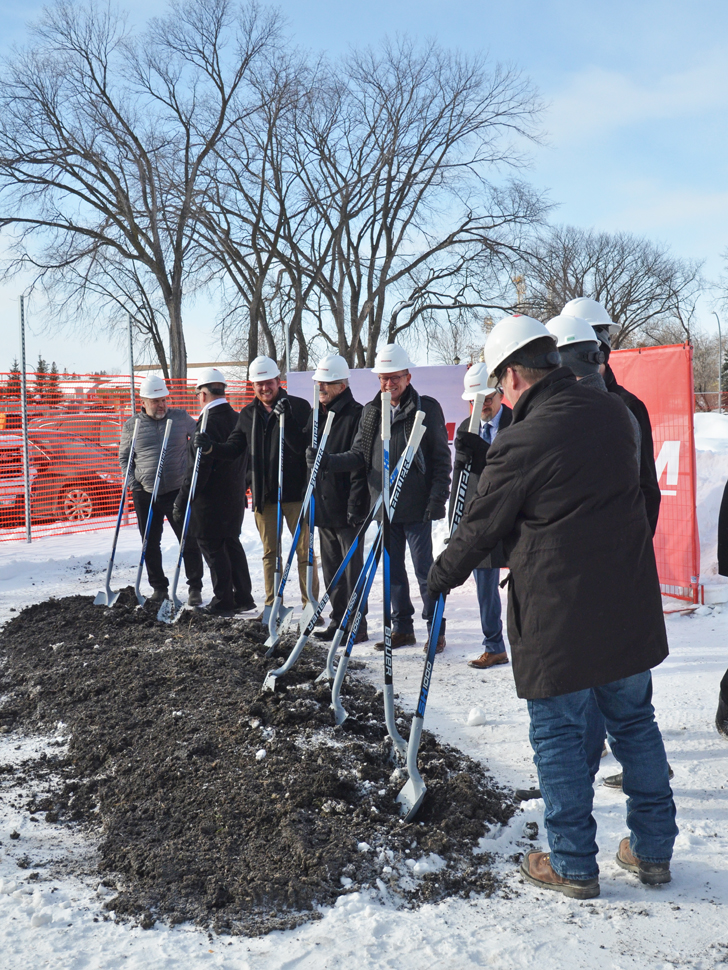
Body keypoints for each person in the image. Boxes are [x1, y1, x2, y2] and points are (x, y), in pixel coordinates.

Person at [428, 313, 677, 898]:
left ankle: (571, 862)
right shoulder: (615, 413)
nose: (500, 396)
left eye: (500, 385)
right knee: (636, 724)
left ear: (515, 375)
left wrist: (439, 577)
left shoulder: (524, 437)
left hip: (559, 613)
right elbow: (619, 491)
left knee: (560, 735)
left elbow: (482, 525)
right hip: (625, 602)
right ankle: (653, 850)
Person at [322, 344, 451, 652]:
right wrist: (327, 461)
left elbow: (440, 458)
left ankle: (435, 628)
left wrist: (437, 498)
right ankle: (402, 628)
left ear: (407, 377)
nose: (389, 384)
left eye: (394, 378)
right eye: (383, 378)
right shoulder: (372, 411)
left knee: (424, 572)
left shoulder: (426, 408)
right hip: (384, 507)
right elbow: (359, 455)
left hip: (417, 505)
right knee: (393, 573)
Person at [195, 355, 319, 615]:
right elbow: (234, 448)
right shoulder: (248, 415)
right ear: (252, 386)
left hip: (296, 493)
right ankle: (273, 604)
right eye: (259, 384)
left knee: (304, 551)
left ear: (278, 380)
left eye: (269, 382)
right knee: (270, 553)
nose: (265, 388)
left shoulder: (298, 406)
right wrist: (210, 448)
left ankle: (311, 606)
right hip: (266, 496)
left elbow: (304, 448)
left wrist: (290, 422)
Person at [561, 297, 661, 536]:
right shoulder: (556, 406)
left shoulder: (628, 406)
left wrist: (637, 549)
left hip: (616, 548)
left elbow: (646, 487)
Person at [174, 369, 255, 617]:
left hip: (209, 502)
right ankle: (243, 597)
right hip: (234, 496)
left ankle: (223, 601)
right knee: (231, 544)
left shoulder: (207, 423)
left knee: (212, 547)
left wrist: (182, 500)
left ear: (203, 394)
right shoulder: (236, 418)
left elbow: (198, 471)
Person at [119, 375, 204, 605]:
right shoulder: (132, 425)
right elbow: (125, 458)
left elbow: (198, 439)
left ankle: (194, 586)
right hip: (145, 492)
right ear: (143, 401)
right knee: (150, 541)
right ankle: (159, 587)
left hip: (177, 490)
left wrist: (192, 470)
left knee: (187, 538)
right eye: (155, 400)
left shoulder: (180, 418)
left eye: (163, 399)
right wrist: (134, 484)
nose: (161, 405)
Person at [304, 355, 370, 641]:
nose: (321, 388)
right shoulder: (318, 413)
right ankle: (337, 619)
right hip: (323, 506)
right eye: (319, 382)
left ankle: (356, 624)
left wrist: (356, 504)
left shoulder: (356, 414)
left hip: (347, 508)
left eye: (327, 384)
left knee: (351, 570)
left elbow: (360, 462)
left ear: (342, 386)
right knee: (331, 569)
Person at [450, 363, 511, 669]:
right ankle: (495, 646)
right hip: (483, 517)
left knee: (524, 587)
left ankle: (530, 644)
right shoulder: (466, 428)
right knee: (485, 586)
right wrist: (455, 522)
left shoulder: (518, 421)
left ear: (500, 393)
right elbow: (459, 480)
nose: (482, 405)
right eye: (475, 400)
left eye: (487, 398)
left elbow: (512, 466)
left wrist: (484, 450)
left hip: (516, 517)